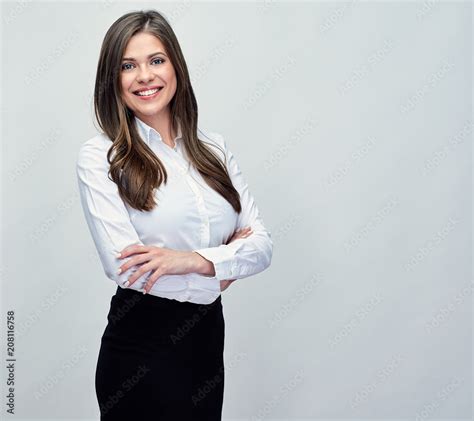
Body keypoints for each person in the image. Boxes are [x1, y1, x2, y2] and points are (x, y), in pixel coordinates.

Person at [76, 9, 273, 421]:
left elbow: (261, 246)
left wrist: (189, 262)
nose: (144, 76)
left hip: (205, 340)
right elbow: (127, 268)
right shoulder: (101, 157)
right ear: (113, 80)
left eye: (156, 60)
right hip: (139, 346)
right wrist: (221, 267)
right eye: (128, 66)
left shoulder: (214, 149)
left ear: (175, 67)